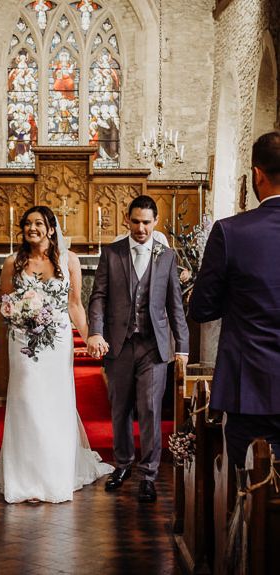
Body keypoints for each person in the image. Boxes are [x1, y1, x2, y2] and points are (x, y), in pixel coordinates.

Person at [0, 206, 112, 503]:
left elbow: (75, 306)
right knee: (27, 400)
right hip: (23, 343)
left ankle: (54, 473)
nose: (33, 228)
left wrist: (91, 337)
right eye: (28, 224)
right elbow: (5, 306)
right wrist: (19, 314)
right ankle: (26, 477)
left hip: (57, 342)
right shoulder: (12, 263)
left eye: (39, 223)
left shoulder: (68, 260)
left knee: (55, 404)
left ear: (51, 228)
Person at [87, 195, 189, 502]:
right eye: (136, 222)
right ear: (127, 220)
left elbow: (175, 305)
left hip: (154, 346)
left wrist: (182, 347)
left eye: (146, 222)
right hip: (119, 344)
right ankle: (123, 464)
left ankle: (148, 474)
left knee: (150, 408)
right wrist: (95, 331)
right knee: (120, 409)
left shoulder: (167, 256)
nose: (141, 228)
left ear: (155, 222)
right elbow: (98, 296)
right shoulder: (112, 253)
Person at [189, 130, 280, 468]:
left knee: (245, 492)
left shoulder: (230, 232)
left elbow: (201, 308)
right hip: (249, 387)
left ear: (257, 174)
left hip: (249, 389)